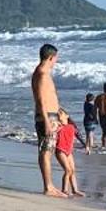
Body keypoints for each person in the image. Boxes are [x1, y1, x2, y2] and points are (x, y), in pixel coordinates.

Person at [30, 42, 61, 197]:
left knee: (48, 151)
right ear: (50, 57)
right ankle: (48, 186)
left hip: (51, 115)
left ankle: (50, 185)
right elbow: (41, 100)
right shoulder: (42, 73)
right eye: (56, 58)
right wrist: (47, 121)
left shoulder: (44, 73)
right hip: (46, 117)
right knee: (46, 151)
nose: (56, 61)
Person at [53, 110, 83, 197]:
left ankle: (75, 190)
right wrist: (57, 127)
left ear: (67, 115)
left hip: (69, 151)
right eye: (57, 115)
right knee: (68, 170)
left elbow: (78, 135)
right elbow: (51, 132)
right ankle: (64, 190)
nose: (59, 116)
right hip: (60, 150)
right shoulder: (58, 125)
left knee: (73, 170)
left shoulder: (71, 126)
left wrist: (86, 145)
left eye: (61, 114)